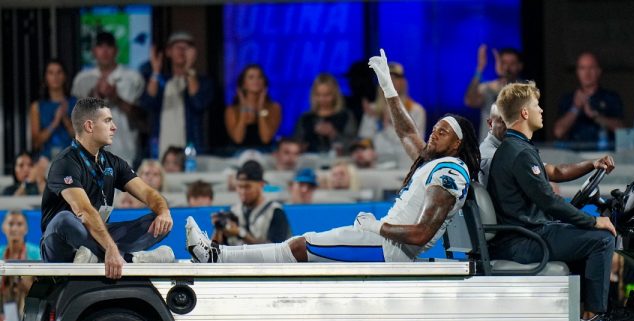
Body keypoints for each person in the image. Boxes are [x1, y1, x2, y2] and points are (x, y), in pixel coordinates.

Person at [185, 49, 480, 264]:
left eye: (443, 132)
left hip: (390, 248)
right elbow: (406, 134)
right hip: (385, 242)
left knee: (300, 247)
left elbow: (419, 233)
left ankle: (216, 257)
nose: (433, 133)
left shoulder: (450, 173)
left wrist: (377, 227)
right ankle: (217, 255)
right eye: (435, 128)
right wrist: (388, 88)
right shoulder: (435, 162)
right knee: (298, 246)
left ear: (457, 145)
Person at [487, 82, 630, 321]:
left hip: (524, 234)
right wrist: (593, 221)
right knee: (602, 239)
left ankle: (581, 315)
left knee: (581, 235)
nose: (541, 110)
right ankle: (595, 317)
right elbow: (549, 202)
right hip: (525, 241)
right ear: (524, 113)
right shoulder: (519, 153)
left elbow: (555, 174)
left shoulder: (517, 148)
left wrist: (591, 165)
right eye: (536, 105)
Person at [40, 98, 175, 280]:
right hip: (61, 246)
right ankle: (131, 259)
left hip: (97, 239)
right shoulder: (65, 163)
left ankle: (94, 257)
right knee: (65, 220)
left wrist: (164, 211)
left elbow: (148, 193)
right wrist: (111, 248)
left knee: (157, 221)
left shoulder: (113, 162)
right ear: (89, 126)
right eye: (107, 120)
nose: (114, 127)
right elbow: (84, 211)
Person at [71, 31, 146, 166]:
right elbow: (75, 121)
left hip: (126, 154)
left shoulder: (133, 78)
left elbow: (143, 119)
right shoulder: (82, 80)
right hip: (90, 156)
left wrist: (116, 98)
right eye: (100, 46)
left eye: (109, 46)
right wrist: (93, 95)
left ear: (116, 50)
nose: (104, 51)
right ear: (94, 51)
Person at [142, 31, 214, 158]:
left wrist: (189, 69)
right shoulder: (161, 81)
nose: (182, 51)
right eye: (177, 47)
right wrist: (155, 72)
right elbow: (148, 102)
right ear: (169, 52)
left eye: (186, 48)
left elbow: (198, 103)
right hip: (160, 149)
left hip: (191, 151)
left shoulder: (203, 82)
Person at [359, 61, 426, 168]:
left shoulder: (416, 110)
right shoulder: (372, 110)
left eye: (395, 78)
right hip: (378, 166)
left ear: (403, 82)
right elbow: (365, 140)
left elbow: (417, 144)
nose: (391, 81)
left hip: (405, 166)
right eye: (387, 78)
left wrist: (391, 120)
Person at [553, 52, 624, 148]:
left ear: (599, 71)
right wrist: (575, 108)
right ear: (577, 72)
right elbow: (558, 132)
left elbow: (621, 130)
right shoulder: (568, 99)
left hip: (604, 156)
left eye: (591, 68)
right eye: (582, 68)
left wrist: (595, 116)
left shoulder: (611, 97)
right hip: (575, 157)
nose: (587, 73)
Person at [212, 160, 290, 246]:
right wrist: (218, 230)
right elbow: (214, 251)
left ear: (261, 185)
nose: (243, 191)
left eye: (247, 187)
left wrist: (241, 233)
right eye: (239, 186)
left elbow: (276, 250)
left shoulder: (275, 212)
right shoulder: (232, 212)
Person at [465, 45, 524, 138]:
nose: (507, 68)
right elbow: (470, 101)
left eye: (512, 64)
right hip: (488, 149)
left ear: (519, 66)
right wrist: (480, 69)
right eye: (504, 63)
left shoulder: (525, 89)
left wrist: (505, 80)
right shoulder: (489, 87)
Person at [0, 211, 41, 321]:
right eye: (11, 224)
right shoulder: (1, 253)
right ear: (3, 227)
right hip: (5, 302)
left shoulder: (35, 253)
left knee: (26, 276)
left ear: (26, 229)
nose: (15, 228)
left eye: (19, 224)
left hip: (28, 300)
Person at [223, 64, 282, 156]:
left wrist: (261, 108)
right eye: (251, 77)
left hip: (265, 153)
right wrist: (243, 110)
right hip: (237, 154)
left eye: (260, 77)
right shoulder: (231, 110)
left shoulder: (274, 107)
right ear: (243, 84)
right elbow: (238, 139)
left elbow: (265, 138)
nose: (256, 81)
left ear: (264, 82)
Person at [294, 73, 357, 154]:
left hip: (339, 163)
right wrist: (300, 147)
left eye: (326, 95)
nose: (322, 99)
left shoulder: (346, 116)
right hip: (309, 163)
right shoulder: (305, 118)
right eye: (318, 95)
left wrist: (333, 134)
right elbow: (295, 144)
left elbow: (354, 146)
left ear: (335, 95)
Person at [29, 59, 77, 160]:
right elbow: (36, 143)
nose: (55, 77)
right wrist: (55, 122)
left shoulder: (76, 103)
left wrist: (65, 119)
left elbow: (83, 138)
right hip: (45, 160)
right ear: (45, 77)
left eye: (59, 72)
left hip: (71, 159)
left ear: (64, 76)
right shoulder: (36, 106)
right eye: (51, 73)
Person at [478, 103, 508, 186]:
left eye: (511, 121)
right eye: (502, 121)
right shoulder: (490, 158)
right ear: (490, 123)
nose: (508, 126)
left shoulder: (511, 146)